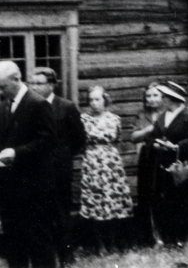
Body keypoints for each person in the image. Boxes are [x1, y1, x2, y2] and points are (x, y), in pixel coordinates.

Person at [0, 60, 56, 268]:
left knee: (38, 242)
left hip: (33, 186)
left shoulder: (38, 103)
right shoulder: (1, 108)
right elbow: (2, 141)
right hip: (8, 187)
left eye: (2, 86)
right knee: (14, 243)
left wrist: (16, 153)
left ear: (17, 79)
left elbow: (47, 141)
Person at [29, 67, 85, 262]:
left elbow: (79, 138)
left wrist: (63, 157)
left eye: (39, 83)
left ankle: (66, 254)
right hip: (35, 168)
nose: (34, 87)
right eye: (32, 83)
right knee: (39, 212)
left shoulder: (66, 107)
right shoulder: (29, 106)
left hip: (59, 170)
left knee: (61, 211)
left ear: (52, 85)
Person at [78, 85, 133, 254]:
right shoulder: (84, 119)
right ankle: (100, 244)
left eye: (97, 99)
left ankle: (114, 242)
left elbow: (117, 138)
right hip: (93, 162)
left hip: (111, 162)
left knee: (113, 200)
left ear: (105, 100)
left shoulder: (114, 119)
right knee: (96, 201)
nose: (94, 103)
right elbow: (81, 141)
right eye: (91, 100)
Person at [147, 81, 188, 249]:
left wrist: (177, 146)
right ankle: (172, 238)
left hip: (183, 167)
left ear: (173, 99)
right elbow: (152, 136)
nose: (161, 100)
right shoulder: (162, 117)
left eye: (164, 97)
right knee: (169, 203)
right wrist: (155, 144)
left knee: (186, 202)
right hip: (165, 166)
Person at [132, 83, 163, 244]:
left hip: (166, 158)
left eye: (155, 95)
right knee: (149, 197)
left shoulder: (168, 113)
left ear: (162, 97)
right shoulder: (141, 115)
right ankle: (153, 235)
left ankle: (171, 233)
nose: (151, 99)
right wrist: (150, 129)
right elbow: (134, 137)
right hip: (148, 160)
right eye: (148, 96)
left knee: (167, 196)